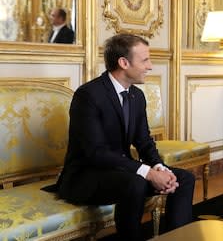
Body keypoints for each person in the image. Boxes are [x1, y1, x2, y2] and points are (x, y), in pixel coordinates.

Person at [57, 34, 195, 240]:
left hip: (121, 172)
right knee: (136, 183)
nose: (150, 66)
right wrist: (147, 173)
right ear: (123, 62)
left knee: (184, 178)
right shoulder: (88, 95)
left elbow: (144, 141)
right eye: (145, 60)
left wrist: (159, 167)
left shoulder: (137, 96)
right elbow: (96, 153)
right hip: (86, 176)